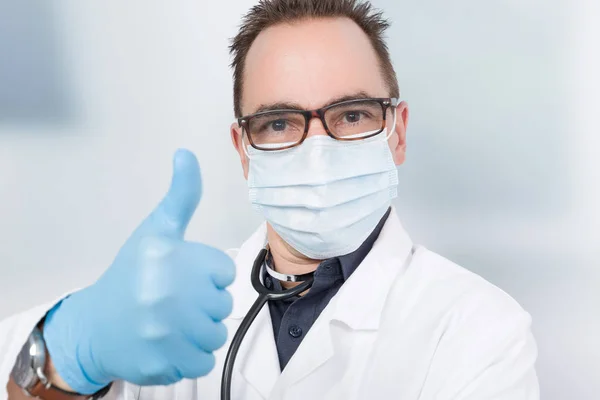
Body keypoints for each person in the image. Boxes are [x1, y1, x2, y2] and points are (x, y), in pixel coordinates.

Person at [1, 0, 539, 399]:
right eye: (279, 122)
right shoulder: (167, 310)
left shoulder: (477, 329)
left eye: (351, 114)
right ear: (243, 149)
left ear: (396, 132)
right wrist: (65, 348)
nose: (318, 149)